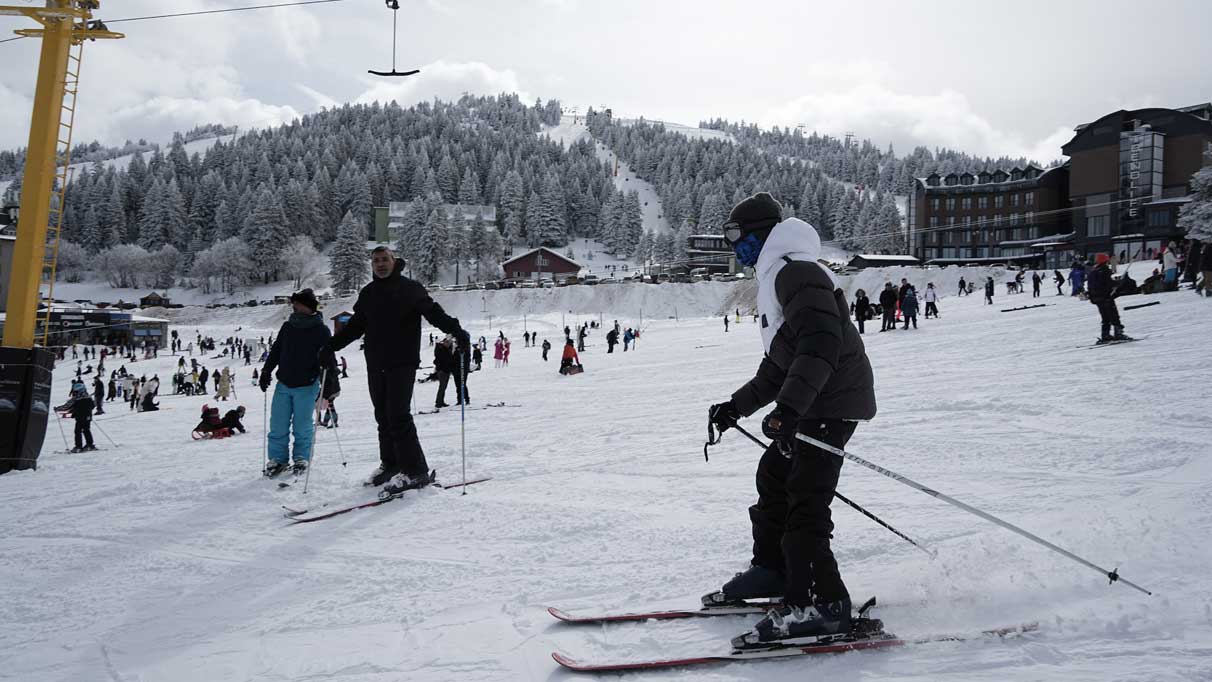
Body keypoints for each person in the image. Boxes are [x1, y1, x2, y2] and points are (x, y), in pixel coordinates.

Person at [707, 192, 876, 646]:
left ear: (760, 233)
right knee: (776, 474)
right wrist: (735, 407)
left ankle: (821, 604)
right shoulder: (781, 275)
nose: (732, 247)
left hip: (831, 401)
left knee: (805, 497)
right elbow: (781, 363)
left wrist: (789, 410)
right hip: (815, 400)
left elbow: (821, 346)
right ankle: (776, 571)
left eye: (735, 236)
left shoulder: (795, 272)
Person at [325, 246, 469, 494]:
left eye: (385, 260)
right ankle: (390, 464)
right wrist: (329, 346)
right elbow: (355, 327)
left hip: (402, 361)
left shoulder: (409, 288)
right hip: (375, 362)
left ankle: (415, 471)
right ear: (371, 265)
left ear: (394, 262)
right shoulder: (369, 293)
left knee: (398, 416)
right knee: (382, 416)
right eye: (376, 261)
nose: (380, 264)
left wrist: (456, 330)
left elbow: (433, 313)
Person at [260, 289, 341, 478]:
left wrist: (329, 383)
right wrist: (266, 371)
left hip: (307, 384)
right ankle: (278, 459)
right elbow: (277, 350)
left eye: (298, 304)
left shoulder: (321, 330)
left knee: (302, 425)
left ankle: (301, 458)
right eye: (294, 304)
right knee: (278, 424)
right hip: (284, 383)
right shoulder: (288, 327)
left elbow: (329, 358)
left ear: (308, 306)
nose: (294, 307)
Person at [1088, 253, 1129, 343]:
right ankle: (1118, 333)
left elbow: (1090, 286)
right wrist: (1118, 283)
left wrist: (1092, 298)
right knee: (1114, 315)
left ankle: (1105, 334)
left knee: (1105, 317)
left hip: (1097, 299)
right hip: (1106, 297)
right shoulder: (1105, 271)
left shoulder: (1093, 272)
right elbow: (1108, 284)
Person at [68, 385, 97, 453]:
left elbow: (68, 405)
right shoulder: (88, 397)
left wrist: (58, 409)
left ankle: (79, 446)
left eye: (76, 391)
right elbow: (92, 405)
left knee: (78, 431)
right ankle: (90, 445)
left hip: (80, 418)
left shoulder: (77, 398)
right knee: (86, 430)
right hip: (87, 417)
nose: (75, 393)